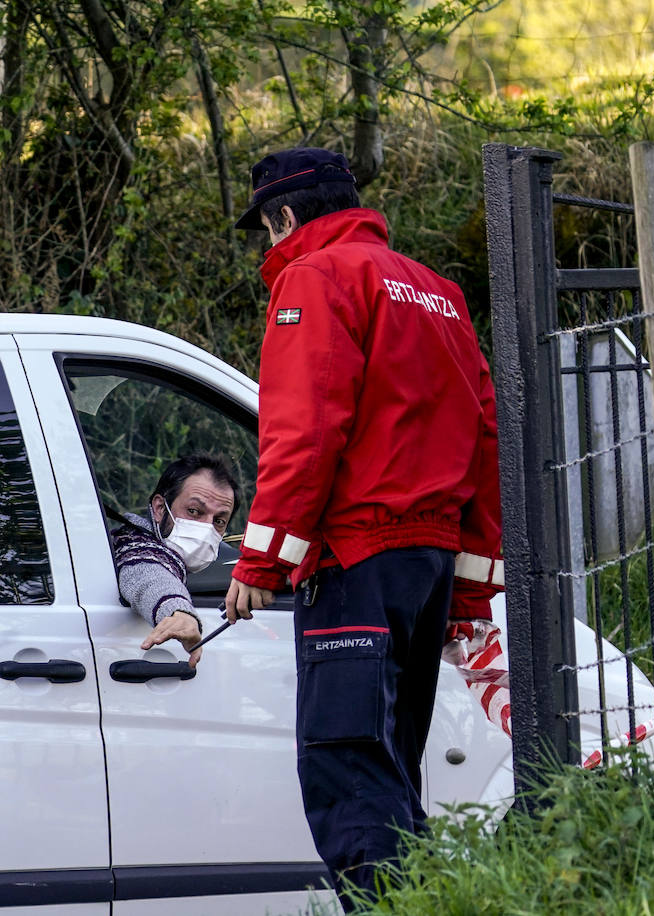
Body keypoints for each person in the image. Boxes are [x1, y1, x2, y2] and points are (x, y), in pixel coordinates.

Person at [224, 147, 504, 909]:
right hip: (428, 566)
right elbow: (484, 437)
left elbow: (305, 431)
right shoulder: (439, 293)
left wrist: (259, 563)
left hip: (353, 561)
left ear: (284, 216)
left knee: (349, 774)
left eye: (267, 229)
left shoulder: (311, 280)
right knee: (390, 773)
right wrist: (470, 594)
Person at [112, 454, 240, 667]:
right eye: (194, 511)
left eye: (218, 521)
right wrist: (179, 612)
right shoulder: (133, 544)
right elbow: (147, 571)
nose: (207, 527)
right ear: (160, 508)